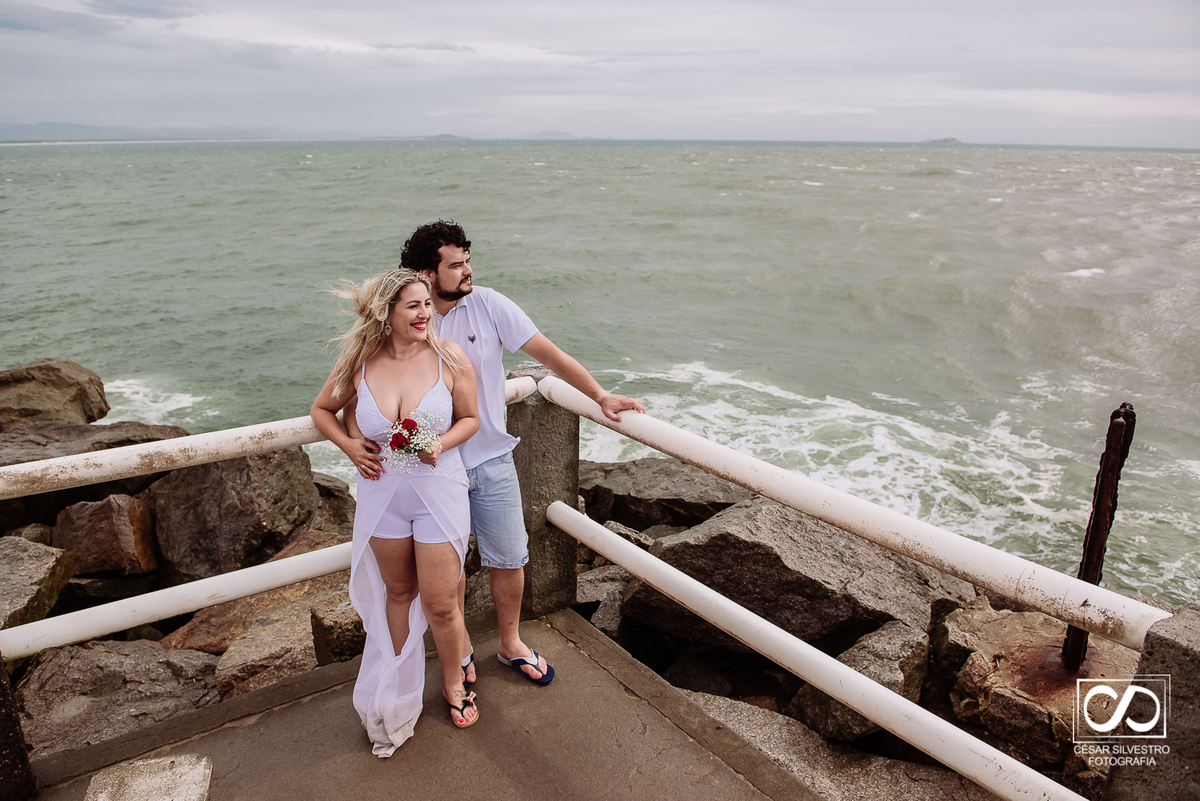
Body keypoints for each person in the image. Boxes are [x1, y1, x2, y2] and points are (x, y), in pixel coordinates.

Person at [350, 220, 645, 688]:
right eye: (457, 264)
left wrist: (599, 395)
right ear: (427, 274)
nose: (468, 271)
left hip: (489, 459)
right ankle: (461, 651)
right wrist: (353, 442)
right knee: (447, 576)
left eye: (469, 260)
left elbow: (549, 355)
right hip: (431, 475)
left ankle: (510, 642)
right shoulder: (409, 321)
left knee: (510, 556)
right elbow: (362, 388)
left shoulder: (488, 304)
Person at [310, 269, 480, 757]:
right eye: (413, 306)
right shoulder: (360, 363)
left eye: (428, 304)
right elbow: (322, 410)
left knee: (442, 602)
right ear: (387, 313)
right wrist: (349, 446)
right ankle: (401, 691)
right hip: (382, 495)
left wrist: (439, 445)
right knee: (399, 593)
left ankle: (453, 681)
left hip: (438, 491)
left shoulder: (450, 358)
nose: (426, 314)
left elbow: (471, 418)